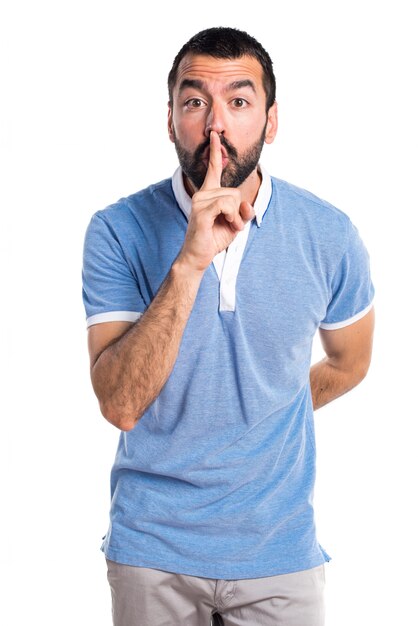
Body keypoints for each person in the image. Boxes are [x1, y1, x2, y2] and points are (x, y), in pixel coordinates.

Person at [82, 26, 375, 626]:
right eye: (195, 102)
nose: (216, 125)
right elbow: (120, 403)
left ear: (269, 122)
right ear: (170, 120)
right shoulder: (116, 229)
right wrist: (190, 260)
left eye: (239, 103)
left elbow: (351, 361)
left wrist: (265, 414)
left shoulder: (329, 233)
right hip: (152, 550)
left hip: (280, 550)